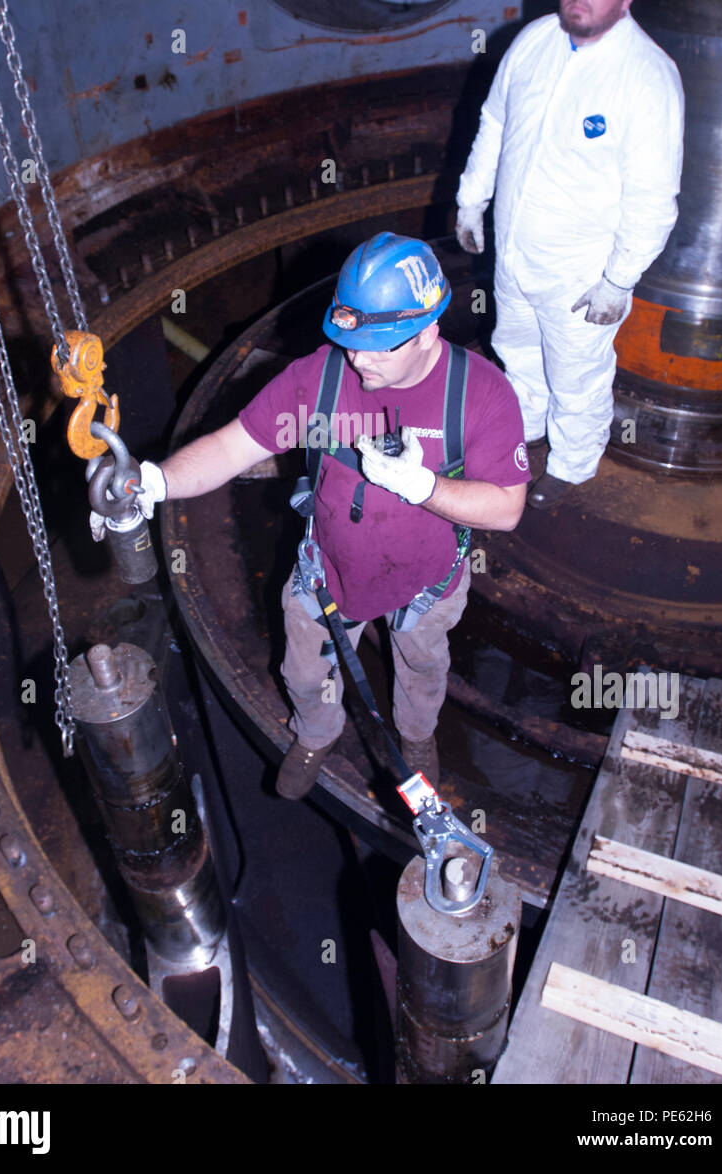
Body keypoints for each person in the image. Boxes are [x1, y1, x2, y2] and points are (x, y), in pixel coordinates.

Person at [123, 232, 529, 800]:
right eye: (349, 338)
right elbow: (230, 447)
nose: (357, 357)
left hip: (428, 583)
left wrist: (421, 486)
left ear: (427, 332)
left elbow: (507, 507)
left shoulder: (480, 395)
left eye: (378, 346)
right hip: (329, 572)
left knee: (422, 670)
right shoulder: (321, 378)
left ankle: (416, 741)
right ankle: (317, 729)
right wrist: (155, 481)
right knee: (303, 674)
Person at [455, 0, 684, 508]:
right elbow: (495, 123)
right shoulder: (533, 43)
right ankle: (523, 440)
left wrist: (618, 280)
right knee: (517, 352)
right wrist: (470, 200)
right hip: (516, 256)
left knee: (578, 380)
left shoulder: (647, 79)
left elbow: (654, 201)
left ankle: (572, 472)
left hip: (580, 278)